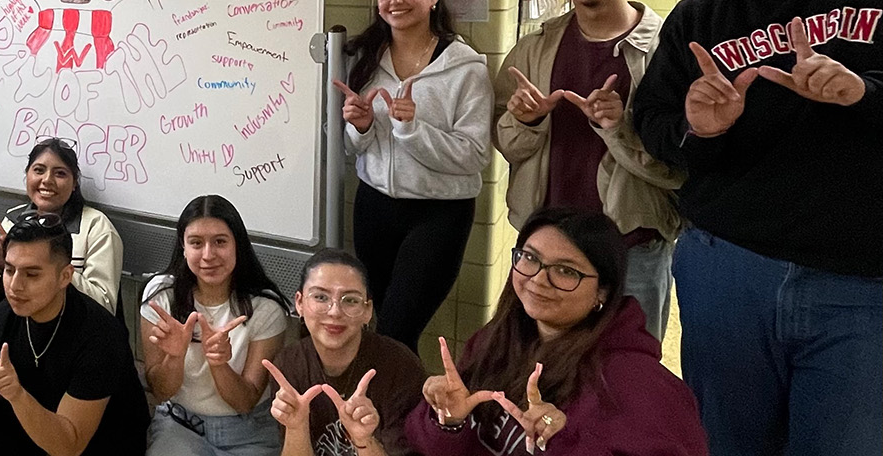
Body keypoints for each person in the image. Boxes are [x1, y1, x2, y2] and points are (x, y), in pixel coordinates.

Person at [632, 0, 883, 456]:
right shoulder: (699, 18)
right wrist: (699, 129)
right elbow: (654, 122)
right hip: (727, 266)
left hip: (860, 276)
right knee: (724, 439)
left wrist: (864, 93)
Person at [492, 0, 683, 340]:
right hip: (544, 248)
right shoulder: (534, 49)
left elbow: (677, 167)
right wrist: (527, 120)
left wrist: (619, 128)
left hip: (631, 249)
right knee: (537, 368)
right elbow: (508, 146)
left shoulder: (664, 50)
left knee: (626, 376)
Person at [402, 208, 707, 456]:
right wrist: (449, 421)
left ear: (603, 291)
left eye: (565, 271)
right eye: (530, 258)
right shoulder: (497, 340)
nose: (538, 279)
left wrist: (560, 444)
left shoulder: (642, 388)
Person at [335, 0, 493, 353]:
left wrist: (412, 130)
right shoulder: (368, 59)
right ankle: (375, 413)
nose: (395, 0)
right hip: (374, 206)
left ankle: (398, 414)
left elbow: (475, 156)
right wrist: (361, 126)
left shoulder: (466, 68)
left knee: (398, 331)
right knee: (375, 321)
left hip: (438, 214)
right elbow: (359, 149)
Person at [0, 218, 150, 456]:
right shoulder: (1, 318)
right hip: (33, 418)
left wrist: (16, 395)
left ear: (65, 277)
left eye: (32, 274)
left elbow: (69, 445)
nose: (15, 286)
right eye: (9, 270)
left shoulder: (100, 335)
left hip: (98, 440)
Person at [139, 195, 290, 456]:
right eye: (196, 243)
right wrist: (174, 358)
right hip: (180, 424)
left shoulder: (266, 307)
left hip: (249, 430)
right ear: (183, 247)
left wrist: (219, 362)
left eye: (220, 242)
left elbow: (245, 402)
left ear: (237, 246)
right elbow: (161, 392)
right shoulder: (161, 295)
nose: (208, 255)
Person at [266, 249, 426, 456]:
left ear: (367, 310)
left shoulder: (400, 366)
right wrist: (296, 428)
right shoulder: (289, 365)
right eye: (321, 297)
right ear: (299, 303)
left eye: (350, 300)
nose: (334, 312)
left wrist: (363, 440)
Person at [0, 138, 123, 314]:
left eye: (60, 173)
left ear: (74, 183)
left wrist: (54, 268)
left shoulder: (96, 227)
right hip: (20, 328)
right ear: (27, 175)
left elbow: (104, 305)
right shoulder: (12, 220)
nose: (47, 180)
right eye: (38, 170)